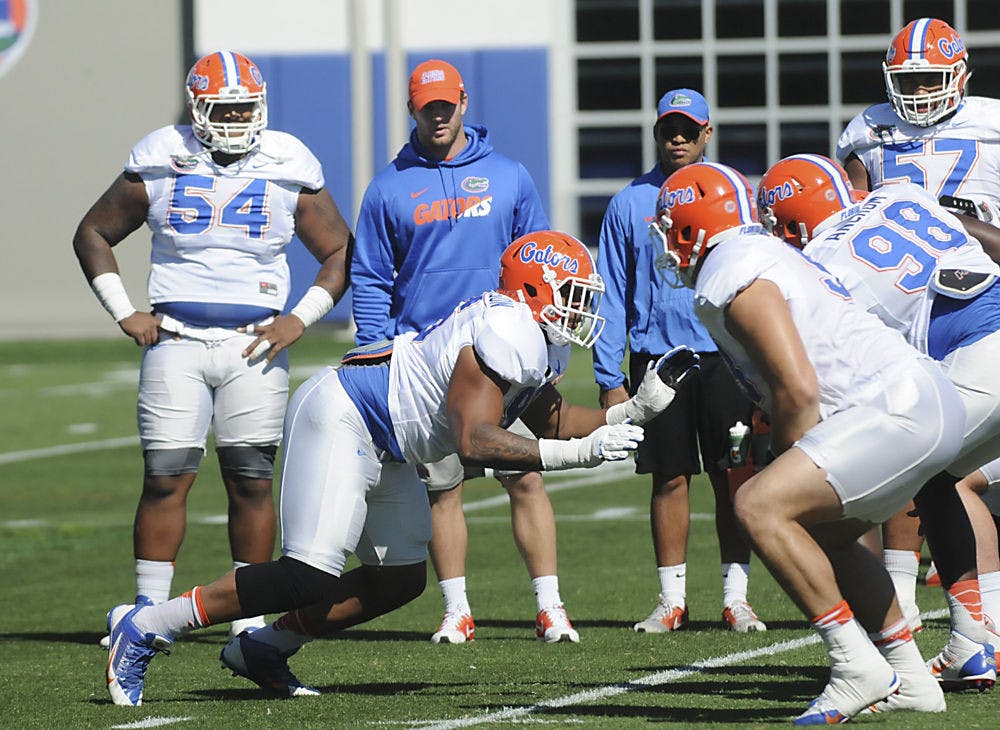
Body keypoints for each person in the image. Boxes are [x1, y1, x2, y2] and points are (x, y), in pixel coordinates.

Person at [103, 230, 697, 707]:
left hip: (392, 442)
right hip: (347, 414)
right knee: (308, 574)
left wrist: (633, 412)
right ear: (534, 291)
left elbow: (552, 416)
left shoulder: (534, 336)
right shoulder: (506, 326)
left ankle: (264, 647)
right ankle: (149, 623)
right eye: (572, 293)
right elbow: (473, 441)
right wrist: (577, 457)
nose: (581, 307)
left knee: (401, 578)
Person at [653, 161, 965, 723]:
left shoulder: (733, 266)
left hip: (894, 408)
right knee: (827, 536)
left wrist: (781, 459)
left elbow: (796, 389)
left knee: (758, 503)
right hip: (922, 399)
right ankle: (912, 677)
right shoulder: (763, 254)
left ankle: (855, 665)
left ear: (690, 226)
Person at [73, 51, 353, 644]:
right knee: (165, 476)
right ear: (197, 106)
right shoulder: (160, 153)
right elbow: (93, 231)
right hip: (176, 339)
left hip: (255, 343)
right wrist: (124, 311)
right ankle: (146, 612)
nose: (232, 120)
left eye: (242, 108)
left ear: (262, 107)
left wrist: (301, 319)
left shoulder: (287, 159)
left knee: (250, 478)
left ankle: (248, 616)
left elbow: (338, 251)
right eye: (221, 108)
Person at [350, 59, 577, 643]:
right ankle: (457, 611)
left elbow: (545, 255)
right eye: (427, 108)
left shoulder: (508, 175)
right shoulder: (388, 186)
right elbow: (372, 277)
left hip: (507, 356)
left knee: (525, 477)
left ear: (463, 103)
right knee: (442, 490)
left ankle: (550, 608)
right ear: (413, 110)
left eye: (446, 105)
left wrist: (550, 346)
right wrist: (378, 349)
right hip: (428, 365)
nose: (438, 116)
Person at [758, 153, 1000, 697]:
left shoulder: (819, 260)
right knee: (944, 478)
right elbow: (974, 236)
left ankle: (934, 642)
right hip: (989, 338)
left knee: (879, 488)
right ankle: (971, 640)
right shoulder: (899, 196)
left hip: (983, 355)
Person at [836, 16, 1000, 639]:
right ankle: (972, 635)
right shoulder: (870, 132)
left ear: (959, 73)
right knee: (936, 472)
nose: (919, 92)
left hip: (983, 303)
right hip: (910, 317)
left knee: (928, 464)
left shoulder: (991, 124)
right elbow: (851, 217)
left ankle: (965, 635)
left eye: (930, 78)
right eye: (907, 79)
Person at [592, 88, 764, 633]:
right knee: (668, 478)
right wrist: (608, 377)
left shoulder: (733, 195)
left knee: (733, 475)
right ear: (657, 133)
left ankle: (737, 599)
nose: (679, 139)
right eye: (670, 129)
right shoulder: (628, 203)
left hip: (726, 356)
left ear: (707, 133)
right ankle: (672, 601)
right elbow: (612, 292)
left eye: (689, 129)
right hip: (656, 359)